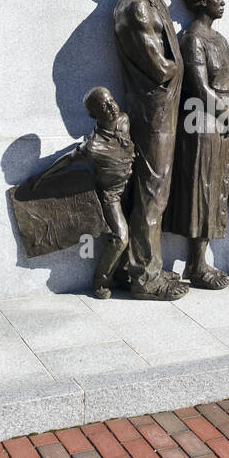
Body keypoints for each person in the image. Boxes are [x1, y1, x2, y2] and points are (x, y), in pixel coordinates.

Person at [112, 0, 189, 301]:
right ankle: (145, 278)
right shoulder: (136, 6)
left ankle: (145, 267)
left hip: (166, 108)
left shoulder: (157, 2)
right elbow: (159, 68)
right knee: (151, 193)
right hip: (152, 111)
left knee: (155, 192)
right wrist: (184, 64)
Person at [30, 87, 134, 299]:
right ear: (94, 115)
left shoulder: (124, 120)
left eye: (112, 100)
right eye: (104, 106)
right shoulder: (93, 146)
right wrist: (42, 176)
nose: (112, 107)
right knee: (121, 238)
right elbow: (67, 159)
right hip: (111, 196)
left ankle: (125, 273)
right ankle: (100, 281)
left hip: (133, 186)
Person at [166, 0, 229, 290]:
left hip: (222, 124)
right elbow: (200, 87)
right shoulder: (192, 39)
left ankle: (201, 260)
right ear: (200, 0)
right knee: (202, 191)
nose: (222, 1)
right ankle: (195, 263)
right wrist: (227, 115)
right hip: (202, 124)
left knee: (217, 188)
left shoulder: (220, 40)